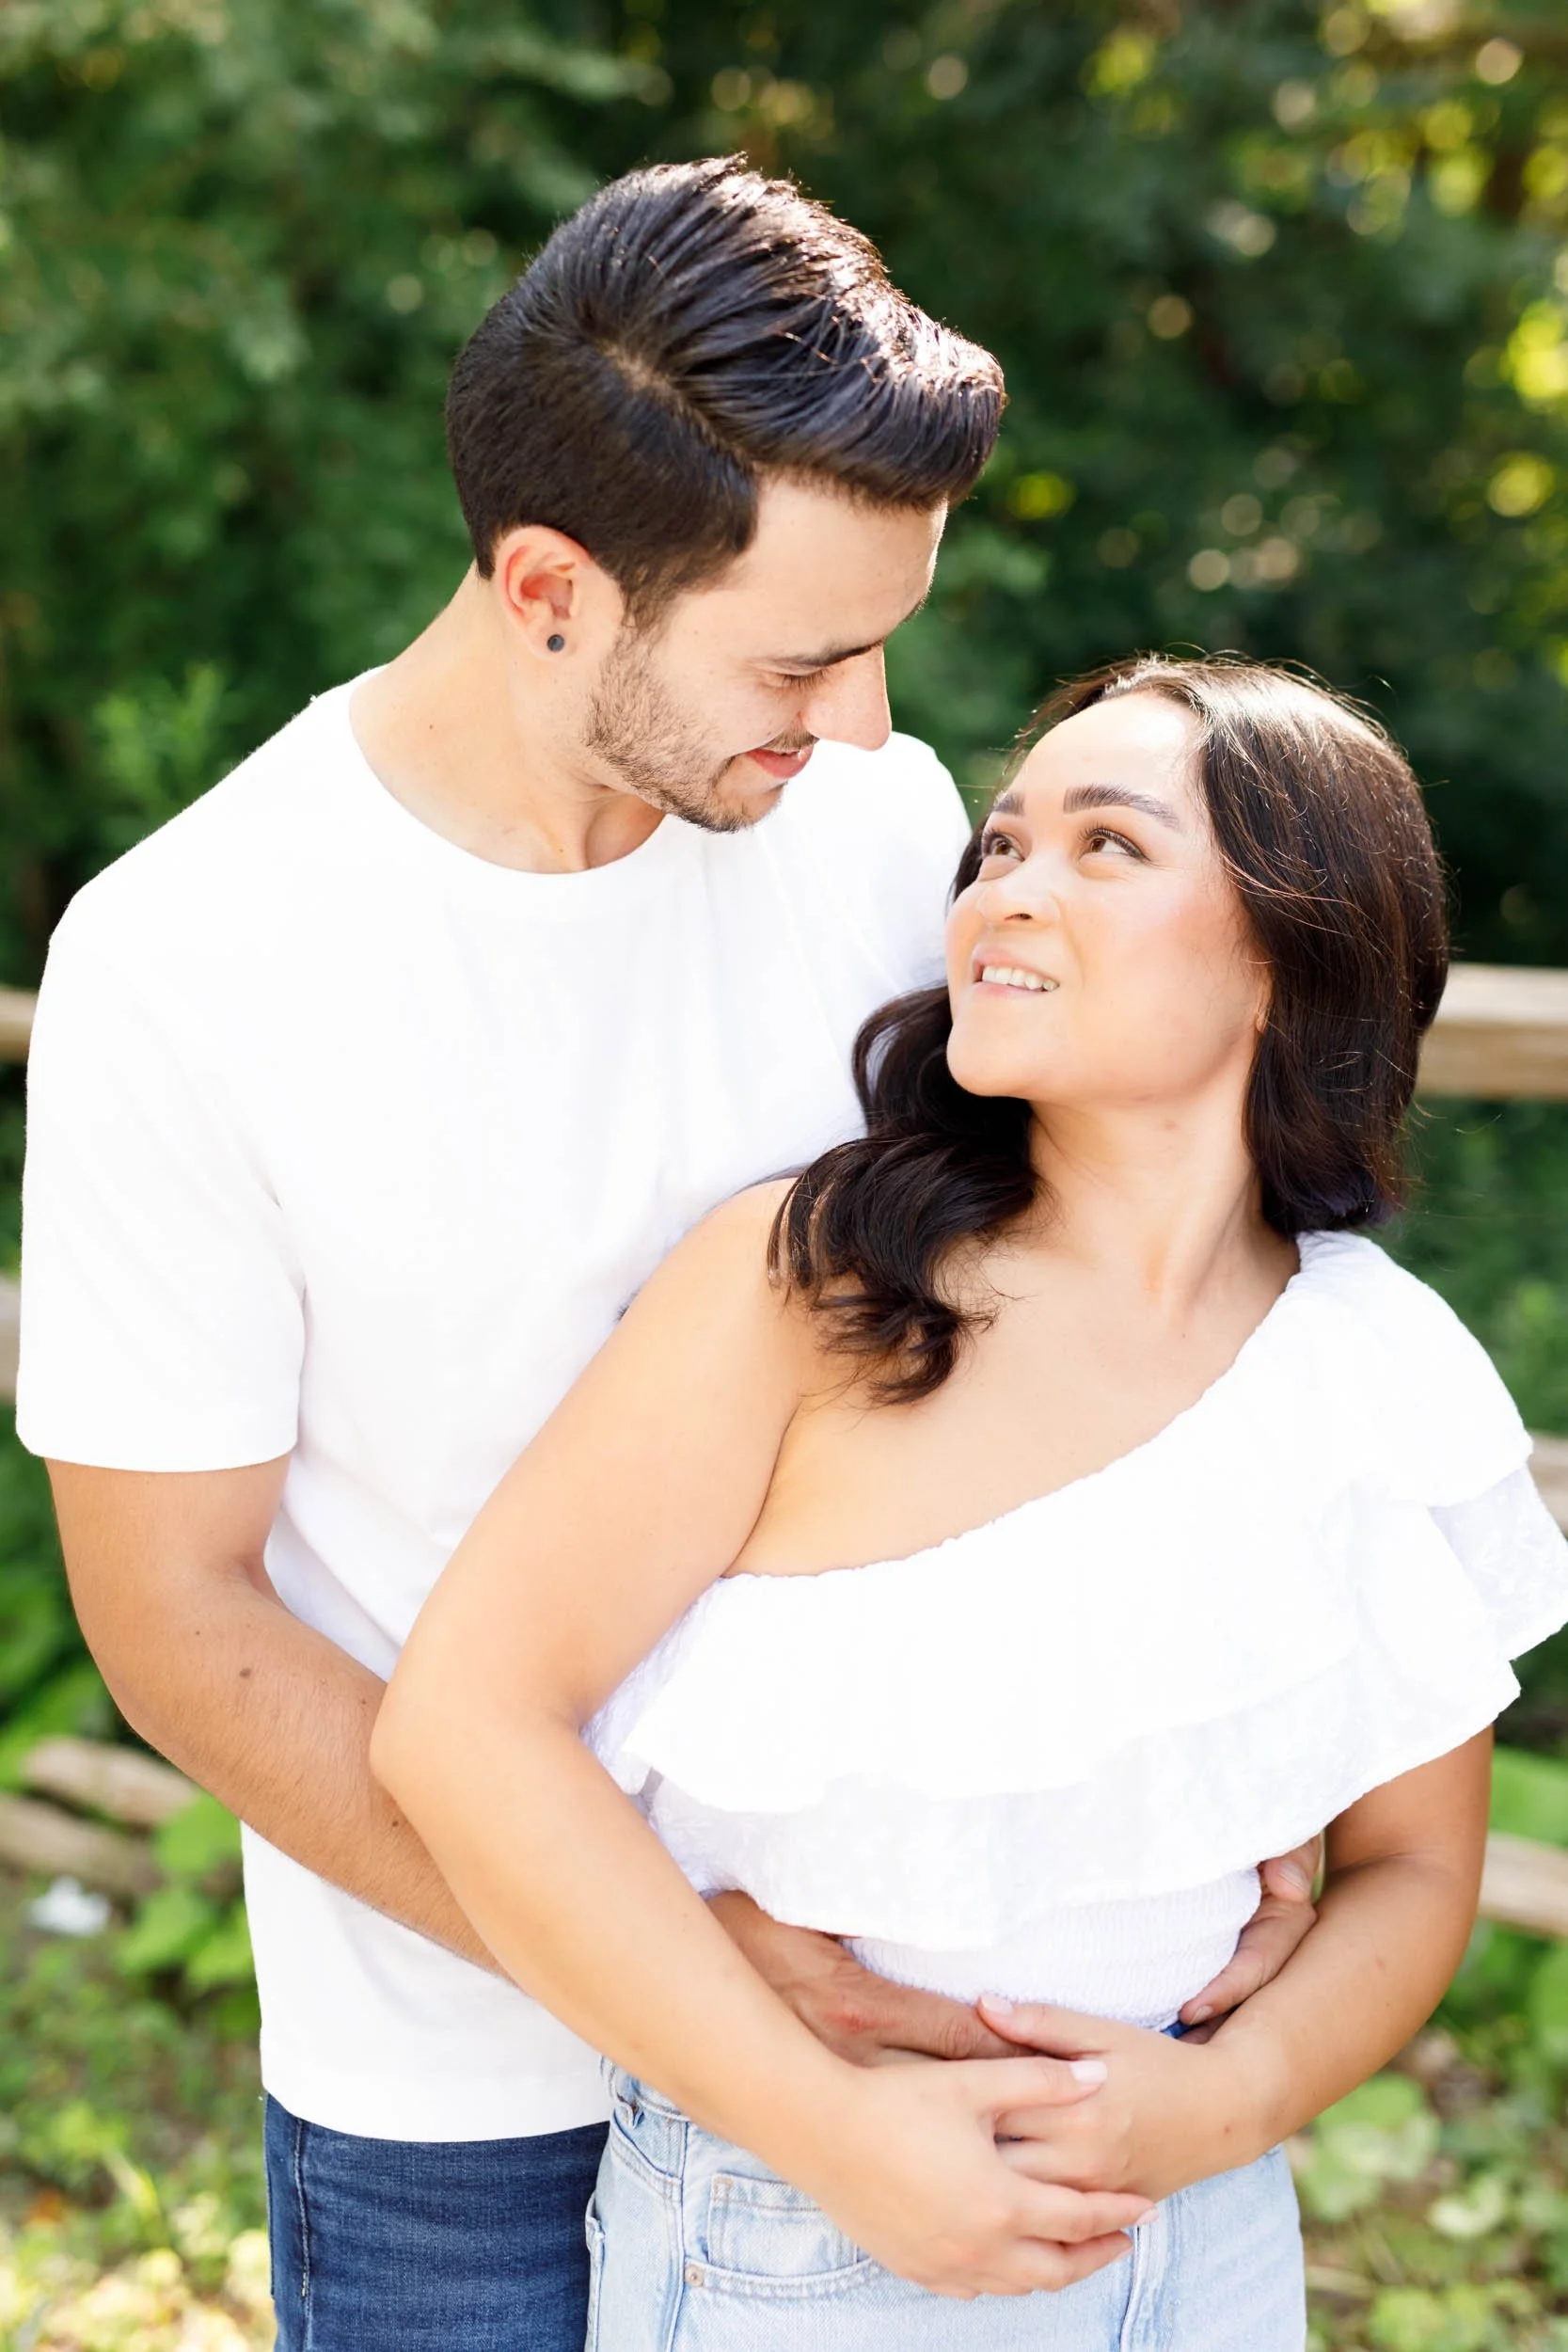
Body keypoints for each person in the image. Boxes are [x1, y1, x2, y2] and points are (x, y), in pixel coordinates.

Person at [15, 165, 1314, 2349]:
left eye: (873, 636)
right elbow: (173, 1621)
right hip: (462, 2100)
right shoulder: (185, 961)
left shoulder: (878, 840)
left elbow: (1062, 1334)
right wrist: (700, 1989)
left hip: (936, 2014)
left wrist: (1204, 1757)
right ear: (545, 586)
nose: (850, 714)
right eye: (797, 655)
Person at [373, 654, 1568, 2349]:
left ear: (1286, 952)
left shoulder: (1367, 1362)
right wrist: (828, 2131)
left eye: (1104, 847)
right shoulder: (817, 1286)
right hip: (806, 2237)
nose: (1005, 888)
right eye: (996, 847)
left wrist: (1221, 2114)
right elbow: (465, 1727)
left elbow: (1409, 1869)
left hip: (1205, 2232)